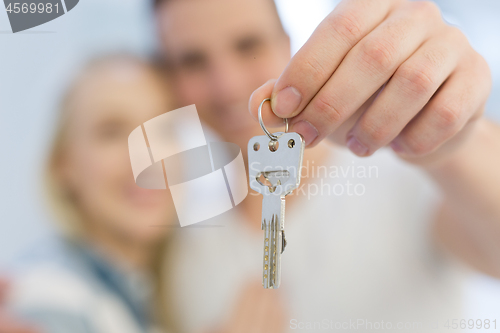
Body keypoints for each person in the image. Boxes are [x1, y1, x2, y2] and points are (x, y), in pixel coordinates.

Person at [153, 0, 500, 332]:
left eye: (248, 45)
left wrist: (450, 142)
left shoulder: (400, 167)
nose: (226, 84)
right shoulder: (175, 224)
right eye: (192, 61)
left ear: (287, 44)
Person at [4, 55, 177, 333]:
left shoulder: (154, 294)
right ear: (62, 164)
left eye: (164, 128)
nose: (148, 157)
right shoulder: (45, 302)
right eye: (111, 132)